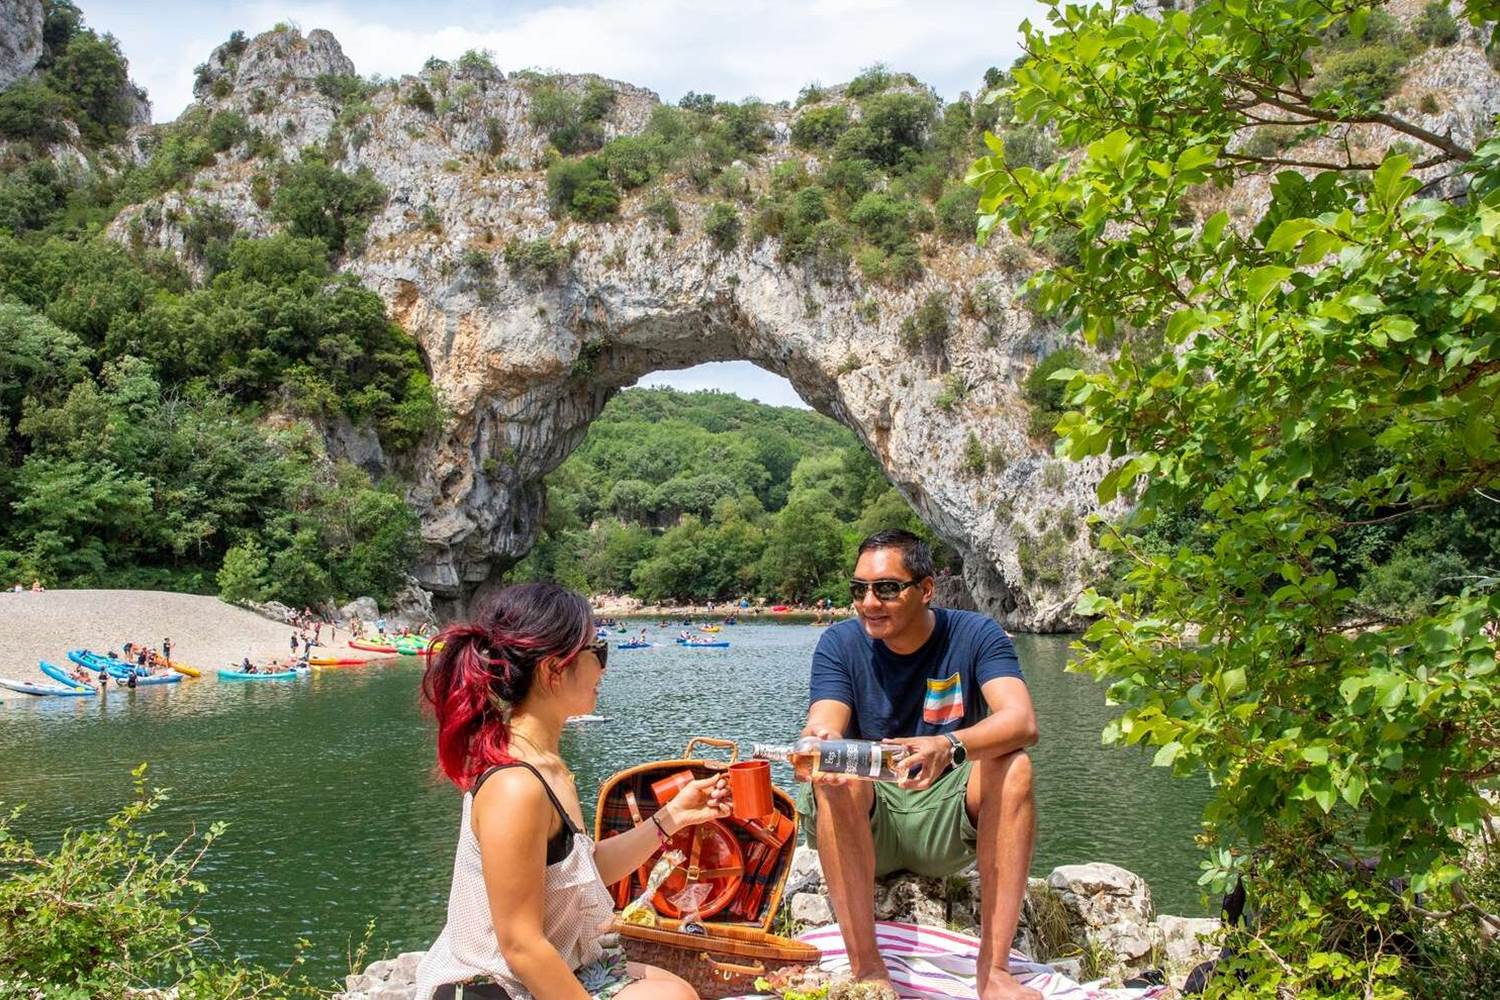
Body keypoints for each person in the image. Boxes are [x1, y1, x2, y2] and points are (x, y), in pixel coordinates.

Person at [415, 582, 726, 1000]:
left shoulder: (546, 765)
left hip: (541, 969)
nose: (604, 668)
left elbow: (582, 869)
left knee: (675, 987)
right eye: (598, 651)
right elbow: (520, 944)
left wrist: (674, 816)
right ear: (553, 670)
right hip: (491, 988)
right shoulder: (515, 787)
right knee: (674, 998)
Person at [797, 530, 1040, 1000]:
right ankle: (868, 969)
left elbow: (1021, 720)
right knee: (836, 773)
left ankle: (994, 971)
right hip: (871, 822)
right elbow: (825, 721)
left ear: (926, 589)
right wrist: (820, 741)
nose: (869, 602)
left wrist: (948, 745)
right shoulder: (840, 644)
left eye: (887, 588)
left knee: (1015, 767)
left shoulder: (976, 634)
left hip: (947, 820)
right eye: (859, 589)